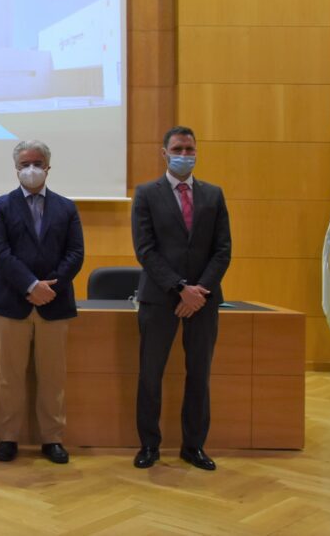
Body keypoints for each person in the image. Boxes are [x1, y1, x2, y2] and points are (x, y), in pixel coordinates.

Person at [131, 126, 231, 471]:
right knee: (150, 375)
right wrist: (179, 288)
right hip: (159, 299)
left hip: (203, 301)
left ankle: (194, 446)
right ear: (164, 153)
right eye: (178, 148)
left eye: (190, 149)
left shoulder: (214, 195)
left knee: (199, 374)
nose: (185, 155)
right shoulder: (146, 194)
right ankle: (149, 445)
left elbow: (223, 250)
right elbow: (145, 250)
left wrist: (198, 291)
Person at [0, 140, 84, 464]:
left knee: (53, 378)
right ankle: (8, 438)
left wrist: (48, 287)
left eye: (37, 163)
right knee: (9, 377)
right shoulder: (1, 206)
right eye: (25, 163)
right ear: (16, 168)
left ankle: (52, 439)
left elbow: (76, 253)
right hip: (12, 303)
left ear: (48, 167)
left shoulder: (67, 208)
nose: (31, 169)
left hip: (54, 304)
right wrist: (30, 285)